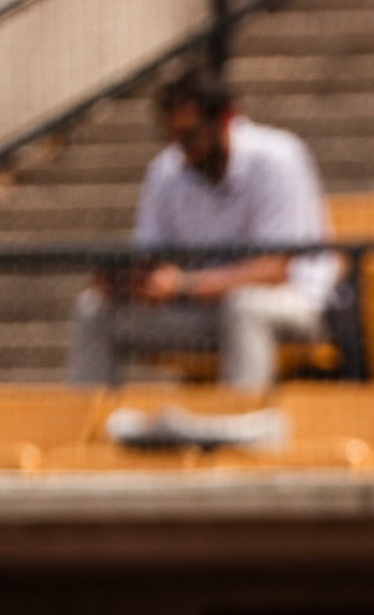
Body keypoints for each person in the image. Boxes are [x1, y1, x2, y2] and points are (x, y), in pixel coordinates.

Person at [67, 65, 337, 391]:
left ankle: (238, 420)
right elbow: (152, 257)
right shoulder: (167, 169)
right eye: (174, 137)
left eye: (191, 135)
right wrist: (130, 282)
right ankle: (84, 421)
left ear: (226, 119)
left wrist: (183, 285)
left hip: (298, 306)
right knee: (93, 310)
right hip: (202, 310)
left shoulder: (277, 158)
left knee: (244, 306)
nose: (183, 149)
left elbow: (274, 270)